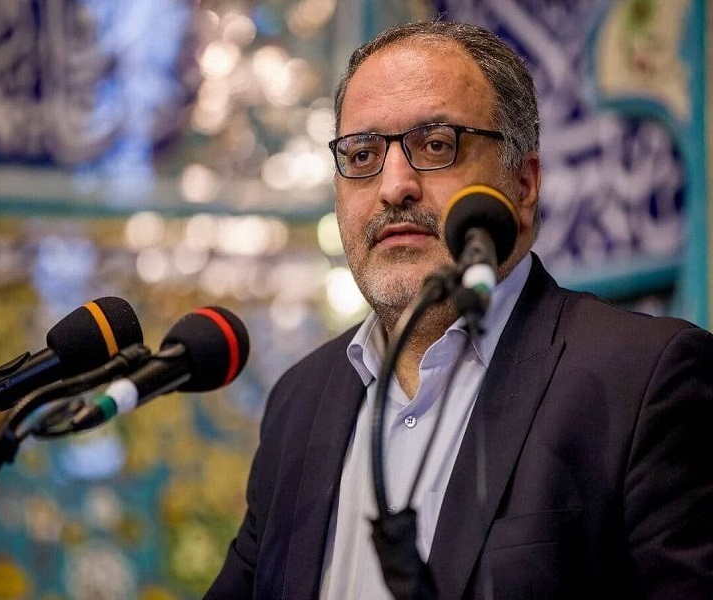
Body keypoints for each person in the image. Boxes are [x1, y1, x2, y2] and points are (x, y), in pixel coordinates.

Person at [205, 20, 713, 599]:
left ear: (523, 185)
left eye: (436, 145)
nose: (394, 186)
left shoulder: (644, 380)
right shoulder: (299, 400)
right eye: (363, 154)